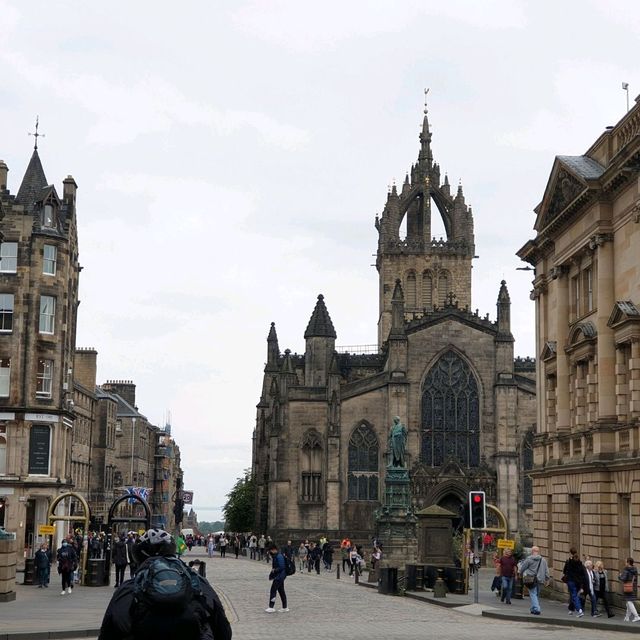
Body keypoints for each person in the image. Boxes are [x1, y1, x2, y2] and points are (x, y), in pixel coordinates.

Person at [98, 528, 232, 640]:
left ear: (139, 556)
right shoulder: (198, 582)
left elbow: (108, 631)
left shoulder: (128, 588)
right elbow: (224, 631)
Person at [518, 546, 549, 615]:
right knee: (536, 594)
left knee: (533, 594)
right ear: (538, 552)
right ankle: (533, 609)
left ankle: (537, 609)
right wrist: (547, 579)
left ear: (532, 551)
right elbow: (546, 570)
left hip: (531, 579)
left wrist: (520, 573)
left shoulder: (529, 559)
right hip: (540, 579)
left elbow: (523, 567)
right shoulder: (543, 560)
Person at [265, 542, 288, 613]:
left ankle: (271, 606)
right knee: (281, 591)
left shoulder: (279, 556)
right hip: (279, 576)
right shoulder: (276, 556)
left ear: (273, 549)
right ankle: (285, 607)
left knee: (273, 590)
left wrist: (275, 570)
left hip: (279, 576)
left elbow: (282, 567)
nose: (270, 552)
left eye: (270, 550)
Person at [562, 548, 585, 617]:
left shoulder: (569, 562)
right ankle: (571, 609)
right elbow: (582, 573)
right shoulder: (580, 562)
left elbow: (564, 571)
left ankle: (579, 610)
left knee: (574, 595)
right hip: (578, 582)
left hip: (571, 580)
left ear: (570, 553)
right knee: (573, 595)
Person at [619, 557, 640, 622]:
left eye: (626, 562)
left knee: (629, 602)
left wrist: (620, 576)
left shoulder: (626, 570)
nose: (625, 563)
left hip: (627, 588)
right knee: (628, 603)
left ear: (628, 562)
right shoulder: (635, 569)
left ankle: (636, 616)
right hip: (633, 587)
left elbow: (623, 578)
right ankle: (627, 617)